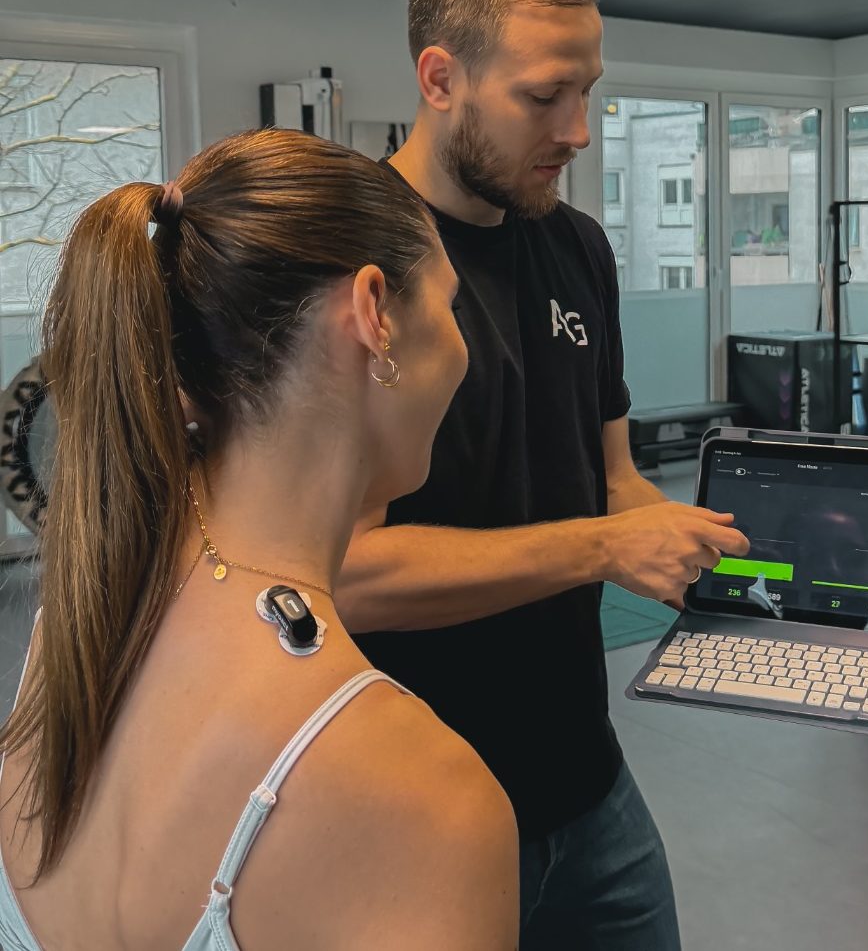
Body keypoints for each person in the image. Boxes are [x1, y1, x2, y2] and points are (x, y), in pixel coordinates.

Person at [337, 0, 751, 949]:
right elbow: (343, 574)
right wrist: (603, 549)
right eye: (542, 97)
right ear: (439, 79)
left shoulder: (579, 248)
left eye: (588, 93)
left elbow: (612, 484)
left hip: (586, 778)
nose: (576, 130)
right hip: (421, 803)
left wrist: (741, 567)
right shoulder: (348, 267)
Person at [0, 129, 517, 950]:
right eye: (451, 310)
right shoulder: (428, 800)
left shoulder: (64, 649)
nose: (463, 353)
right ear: (374, 313)